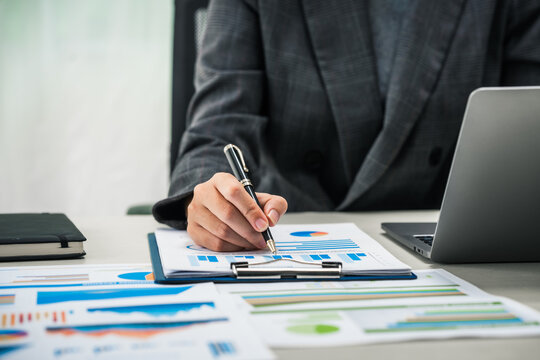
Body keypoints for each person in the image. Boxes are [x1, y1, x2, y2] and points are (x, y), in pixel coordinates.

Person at [153, 0, 540, 252]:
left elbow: (526, 127)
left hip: (444, 246)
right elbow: (216, 130)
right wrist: (205, 198)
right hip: (286, 236)